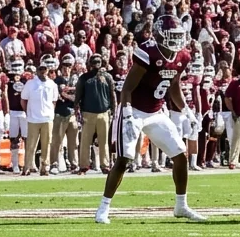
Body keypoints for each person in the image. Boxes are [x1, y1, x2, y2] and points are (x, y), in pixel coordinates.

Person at [96, 15, 205, 224]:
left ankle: (181, 205)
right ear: (160, 36)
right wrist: (127, 116)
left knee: (180, 155)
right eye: (171, 36)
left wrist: (188, 113)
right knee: (124, 158)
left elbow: (174, 87)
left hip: (156, 112)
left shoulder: (182, 56)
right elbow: (127, 88)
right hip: (133, 110)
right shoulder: (148, 52)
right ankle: (103, 208)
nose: (175, 40)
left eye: (177, 36)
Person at [75, 55, 116, 173]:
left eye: (98, 62)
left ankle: (105, 165)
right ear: (90, 63)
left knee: (104, 141)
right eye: (94, 62)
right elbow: (78, 95)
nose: (96, 64)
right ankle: (84, 165)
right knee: (85, 141)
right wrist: (77, 110)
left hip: (104, 113)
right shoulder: (84, 78)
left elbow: (112, 94)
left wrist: (113, 110)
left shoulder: (107, 77)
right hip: (88, 113)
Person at [21, 56, 58, 176]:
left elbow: (54, 101)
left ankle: (45, 167)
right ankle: (27, 167)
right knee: (31, 144)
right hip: (33, 119)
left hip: (47, 118)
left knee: (47, 144)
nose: (43, 71)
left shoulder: (52, 84)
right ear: (37, 70)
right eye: (41, 69)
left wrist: (50, 112)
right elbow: (23, 100)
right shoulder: (30, 83)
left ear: (48, 70)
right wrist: (28, 112)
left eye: (45, 69)